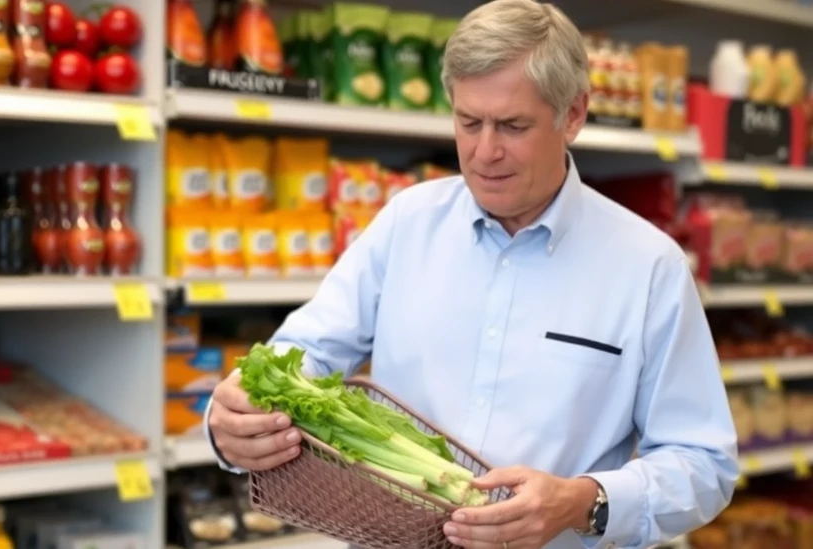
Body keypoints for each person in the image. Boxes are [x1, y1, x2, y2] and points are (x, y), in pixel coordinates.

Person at [205, 0, 739, 547]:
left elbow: (703, 462)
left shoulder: (648, 267)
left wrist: (583, 501)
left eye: (512, 125)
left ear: (573, 114)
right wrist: (236, 421)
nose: (485, 152)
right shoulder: (406, 223)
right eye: (469, 122)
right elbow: (302, 353)